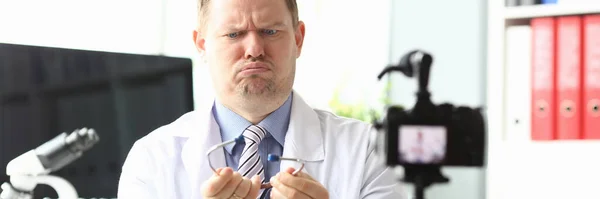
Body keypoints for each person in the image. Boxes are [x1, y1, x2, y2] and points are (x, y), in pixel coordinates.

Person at [117, 0, 405, 198]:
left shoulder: (368, 151)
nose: (254, 49)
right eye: (234, 34)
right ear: (202, 46)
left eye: (270, 31)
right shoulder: (151, 160)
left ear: (298, 39)